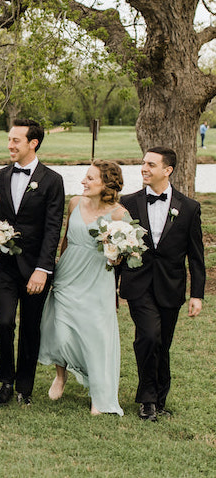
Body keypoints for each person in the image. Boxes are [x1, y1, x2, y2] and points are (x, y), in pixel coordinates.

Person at [119, 147, 205, 421]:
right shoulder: (127, 203)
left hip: (171, 286)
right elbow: (117, 248)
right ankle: (146, 399)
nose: (144, 167)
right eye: (143, 162)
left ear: (167, 170)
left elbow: (196, 254)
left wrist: (197, 294)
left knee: (162, 343)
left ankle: (160, 397)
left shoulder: (189, 207)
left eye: (151, 164)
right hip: (138, 283)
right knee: (149, 336)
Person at [39, 161, 127, 416]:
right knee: (61, 330)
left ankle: (99, 394)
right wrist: (57, 272)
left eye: (90, 178)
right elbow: (66, 239)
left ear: (106, 184)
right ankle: (61, 375)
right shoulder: (75, 203)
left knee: (95, 337)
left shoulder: (120, 214)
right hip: (68, 274)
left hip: (98, 278)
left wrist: (115, 255)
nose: (83, 182)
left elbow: (121, 257)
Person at [0, 118, 65, 407]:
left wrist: (42, 270)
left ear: (33, 143)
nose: (10, 145)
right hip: (6, 266)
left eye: (15, 141)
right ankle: (6, 382)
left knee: (31, 327)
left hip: (36, 267)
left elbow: (53, 228)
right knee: (4, 321)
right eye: (9, 140)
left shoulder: (52, 180)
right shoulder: (0, 176)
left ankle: (25, 387)